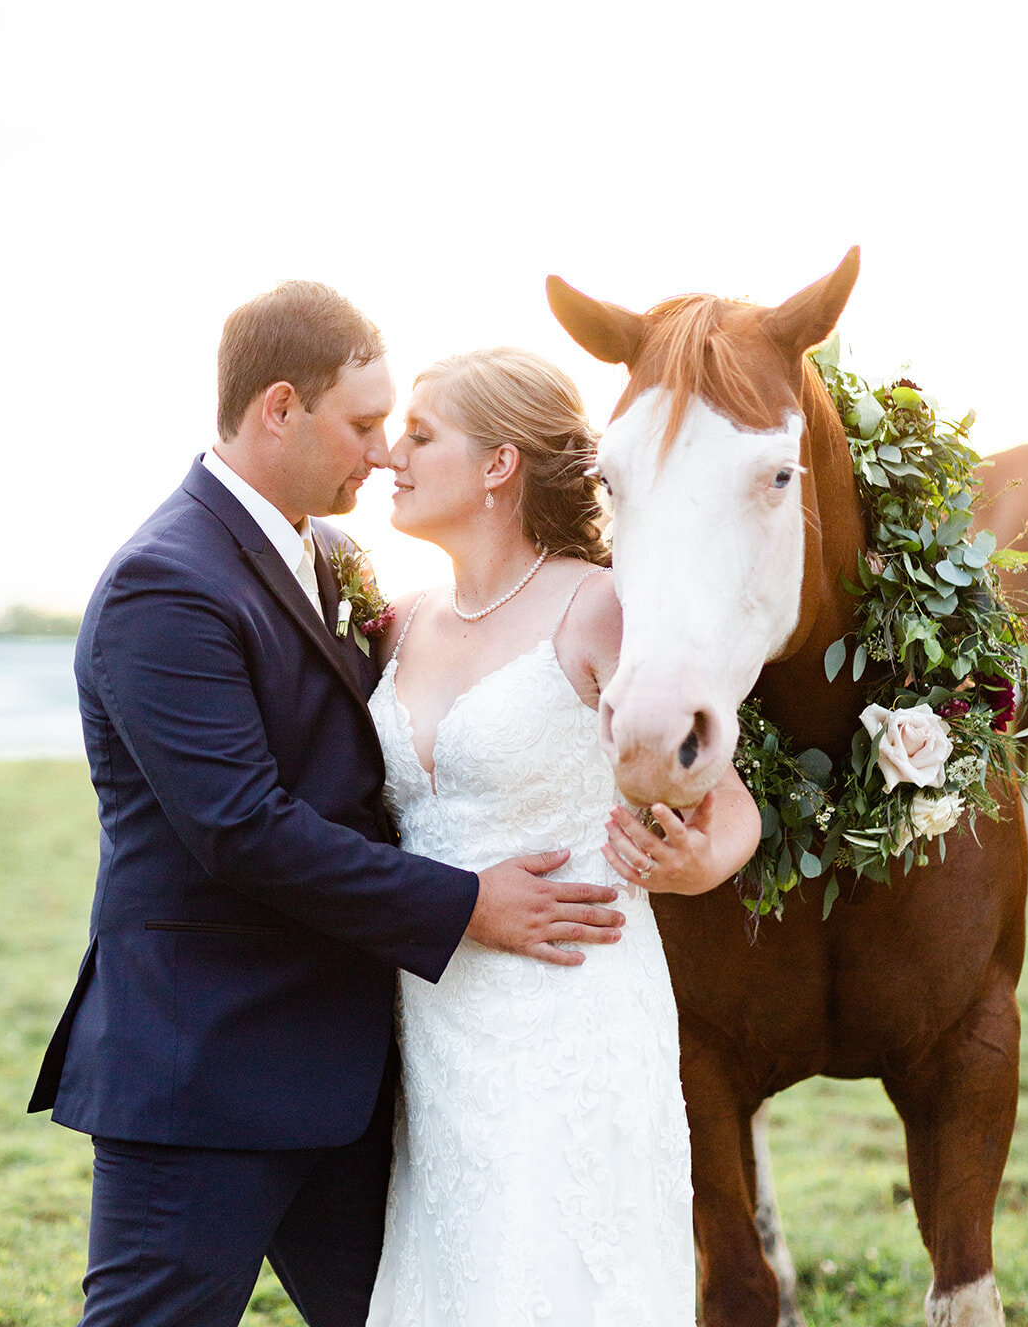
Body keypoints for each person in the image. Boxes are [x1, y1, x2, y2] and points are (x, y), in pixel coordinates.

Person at [28, 284, 626, 1327]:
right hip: (203, 1072)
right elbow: (241, 827)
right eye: (360, 424)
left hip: (353, 1073)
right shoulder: (164, 585)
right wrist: (464, 902)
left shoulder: (335, 560)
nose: (380, 449)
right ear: (277, 409)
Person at [364, 348, 762, 1325]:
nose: (389, 455)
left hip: (570, 1011)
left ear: (498, 463)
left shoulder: (599, 606)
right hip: (434, 1017)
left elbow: (731, 803)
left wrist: (697, 859)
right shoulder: (399, 622)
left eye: (420, 433)